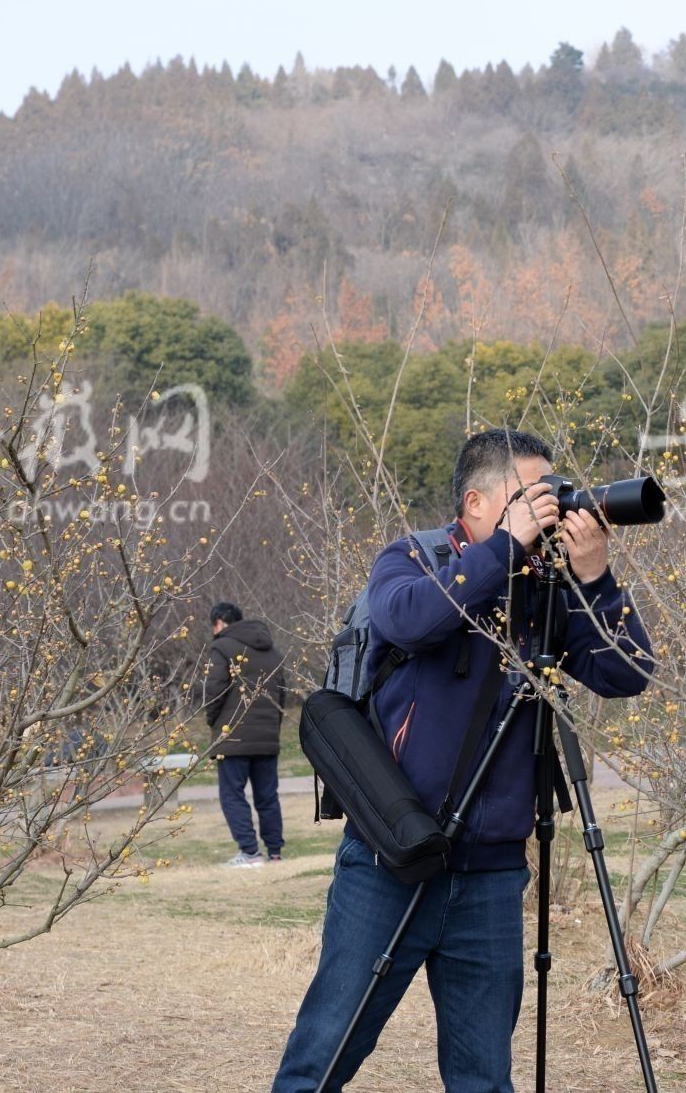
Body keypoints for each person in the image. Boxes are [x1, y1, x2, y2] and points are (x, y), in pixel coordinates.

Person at [273, 428, 656, 1093]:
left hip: (491, 877)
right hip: (391, 859)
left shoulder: (545, 590)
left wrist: (596, 579)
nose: (548, 511)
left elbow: (627, 674)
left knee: (483, 1077)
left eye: (552, 496)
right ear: (477, 504)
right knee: (324, 1055)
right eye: (530, 497)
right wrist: (505, 549)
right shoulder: (414, 558)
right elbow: (407, 621)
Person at [203, 601, 289, 867]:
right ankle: (274, 852)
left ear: (219, 622)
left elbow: (214, 689)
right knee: (267, 795)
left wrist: (212, 721)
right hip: (266, 737)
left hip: (233, 737)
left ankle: (250, 853)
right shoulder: (271, 650)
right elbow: (281, 692)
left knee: (232, 795)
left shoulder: (221, 647)